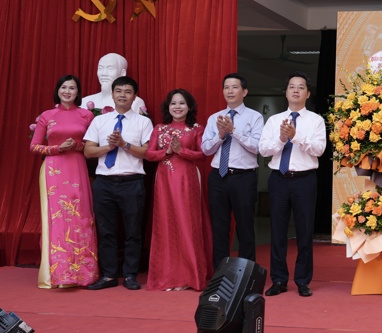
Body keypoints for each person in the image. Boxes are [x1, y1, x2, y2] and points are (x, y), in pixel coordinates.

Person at [258, 72, 327, 298]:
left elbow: (319, 150)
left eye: (300, 87)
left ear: (307, 94)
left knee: (305, 232)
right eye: (291, 87)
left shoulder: (316, 120)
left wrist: (295, 136)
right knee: (277, 232)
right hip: (278, 179)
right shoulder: (274, 120)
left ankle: (302, 281)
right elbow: (264, 151)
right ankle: (278, 280)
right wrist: (281, 138)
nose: (295, 90)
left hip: (305, 180)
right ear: (286, 92)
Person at [83, 76, 154, 290]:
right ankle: (109, 275)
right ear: (112, 94)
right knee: (106, 231)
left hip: (131, 182)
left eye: (127, 91)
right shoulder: (99, 121)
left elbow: (148, 152)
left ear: (134, 96)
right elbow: (88, 151)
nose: (122, 95)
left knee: (133, 231)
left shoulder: (144, 122)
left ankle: (130, 274)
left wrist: (124, 144)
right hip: (104, 182)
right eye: (119, 91)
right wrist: (109, 147)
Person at [29, 75, 99, 288]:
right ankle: (60, 274)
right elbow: (34, 146)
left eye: (72, 88)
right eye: (64, 87)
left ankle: (84, 273)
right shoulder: (47, 116)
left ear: (78, 92)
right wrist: (57, 149)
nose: (67, 91)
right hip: (53, 170)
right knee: (57, 219)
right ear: (57, 90)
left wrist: (75, 146)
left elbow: (91, 146)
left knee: (81, 217)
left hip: (77, 167)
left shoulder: (86, 115)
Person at [144, 89, 212, 291]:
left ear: (189, 107)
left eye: (182, 103)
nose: (177, 107)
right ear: (168, 107)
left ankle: (189, 276)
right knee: (166, 224)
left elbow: (202, 155)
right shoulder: (160, 128)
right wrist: (166, 151)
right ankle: (168, 276)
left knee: (186, 223)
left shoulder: (197, 129)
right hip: (164, 180)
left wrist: (180, 150)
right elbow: (149, 154)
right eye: (173, 103)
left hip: (187, 179)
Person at [201, 73, 264, 267]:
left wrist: (234, 132)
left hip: (243, 178)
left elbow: (258, 147)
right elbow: (205, 149)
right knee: (219, 228)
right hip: (218, 177)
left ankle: (246, 273)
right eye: (226, 87)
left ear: (244, 92)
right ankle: (220, 273)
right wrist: (220, 135)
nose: (229, 91)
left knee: (245, 227)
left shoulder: (255, 117)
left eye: (234, 87)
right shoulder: (214, 118)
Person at [81, 53, 146, 114]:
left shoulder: (135, 102)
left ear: (122, 73)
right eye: (100, 68)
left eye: (110, 69)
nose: (103, 74)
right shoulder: (85, 101)